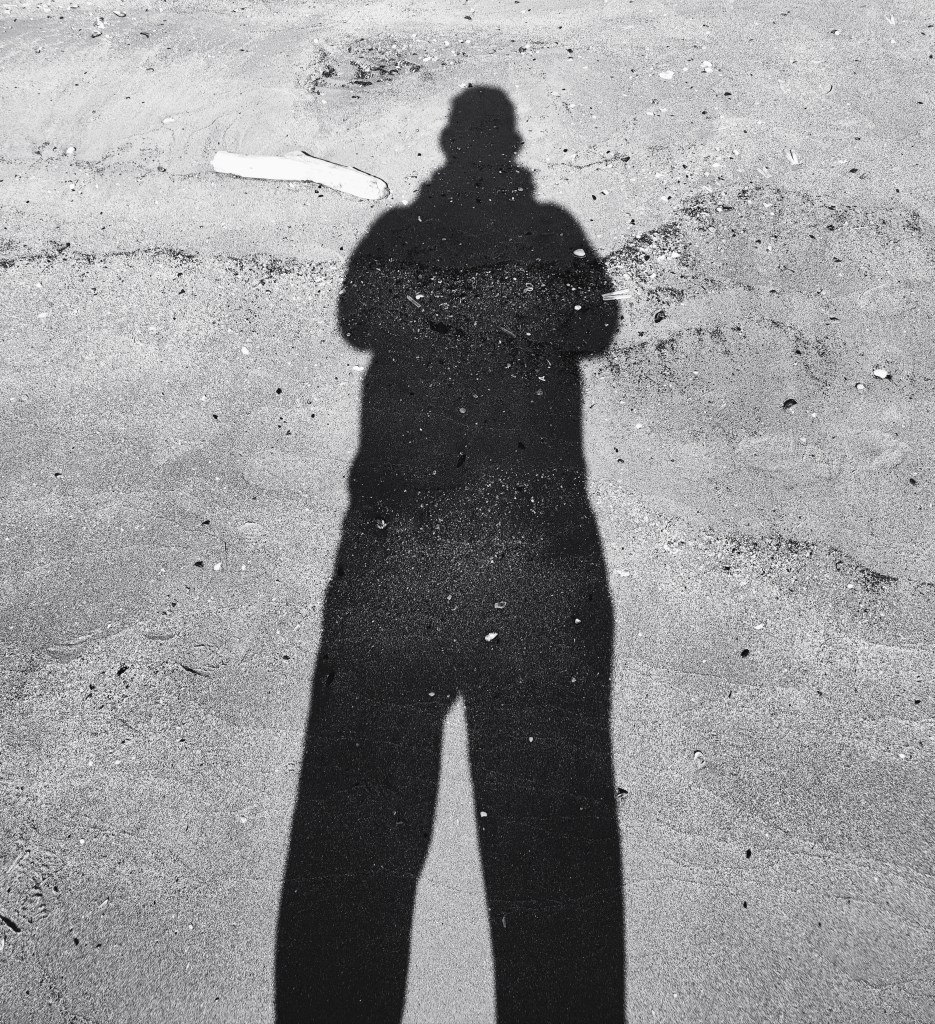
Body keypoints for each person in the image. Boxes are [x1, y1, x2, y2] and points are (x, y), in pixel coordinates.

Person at [276, 85, 624, 1023]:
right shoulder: (547, 224)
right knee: (547, 809)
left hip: (396, 518)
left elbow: (356, 319)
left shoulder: (401, 226)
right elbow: (596, 326)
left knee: (362, 793)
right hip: (534, 521)